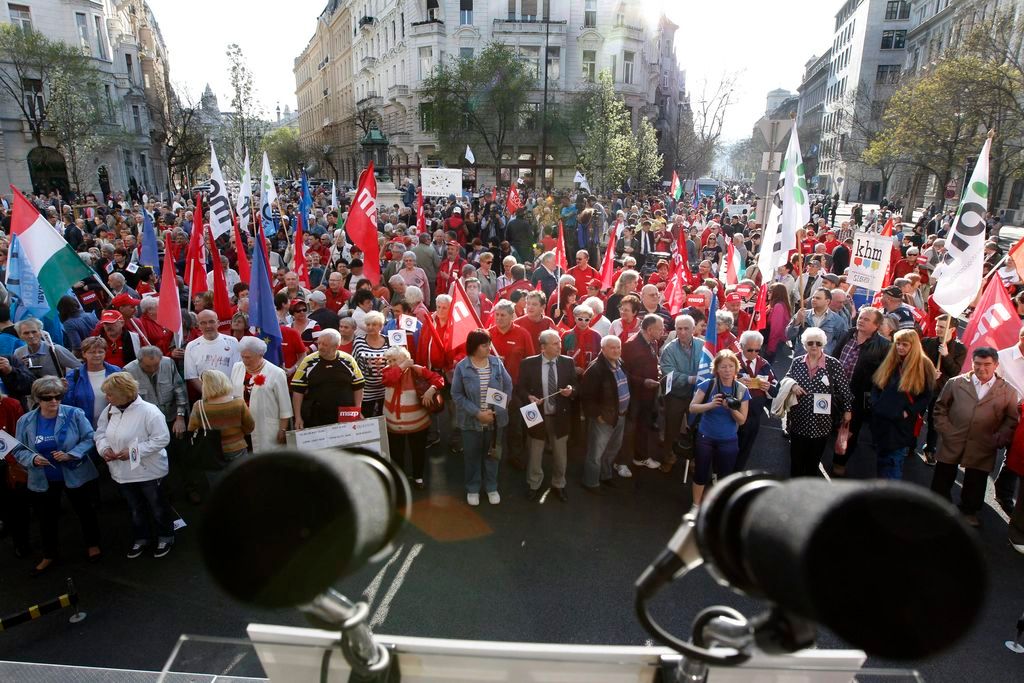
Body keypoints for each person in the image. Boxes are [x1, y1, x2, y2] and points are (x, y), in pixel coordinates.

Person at [14, 377, 100, 575]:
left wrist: (72, 454)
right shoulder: (25, 421)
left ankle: (93, 544)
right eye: (47, 398)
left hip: (75, 473)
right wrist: (33, 459)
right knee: (46, 519)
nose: (54, 401)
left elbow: (90, 438)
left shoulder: (74, 414)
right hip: (43, 478)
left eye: (58, 396)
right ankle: (49, 554)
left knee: (85, 511)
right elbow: (18, 449)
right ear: (38, 399)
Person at [932, 347, 1019, 527]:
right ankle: (937, 507)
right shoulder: (955, 383)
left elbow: (1011, 420)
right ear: (972, 363)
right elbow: (940, 408)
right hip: (952, 439)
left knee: (976, 480)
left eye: (987, 364)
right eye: (977, 363)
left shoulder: (1008, 391)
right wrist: (946, 430)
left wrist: (998, 439)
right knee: (943, 476)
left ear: (996, 365)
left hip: (984, 444)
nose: (982, 368)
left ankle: (968, 511)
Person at [95, 372, 174, 559]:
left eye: (110, 394)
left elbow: (162, 439)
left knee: (157, 507)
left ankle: (165, 536)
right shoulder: (109, 410)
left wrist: (133, 452)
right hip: (122, 473)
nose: (107, 398)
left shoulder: (149, 411)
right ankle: (142, 537)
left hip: (149, 472)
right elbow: (100, 433)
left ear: (124, 394)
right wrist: (104, 449)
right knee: (135, 508)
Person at [451, 329, 512, 506]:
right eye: (485, 345)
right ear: (474, 347)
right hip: (471, 422)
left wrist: (498, 409)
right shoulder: (462, 367)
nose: (489, 348)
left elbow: (508, 386)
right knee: (472, 457)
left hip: (495, 421)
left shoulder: (496, 363)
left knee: (493, 455)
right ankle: (473, 488)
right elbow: (457, 394)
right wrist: (477, 413)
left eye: (489, 344)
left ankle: (492, 487)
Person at [782, 327, 853, 477]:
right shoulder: (797, 362)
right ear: (804, 345)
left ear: (823, 344)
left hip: (821, 423)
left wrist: (847, 411)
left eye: (818, 343)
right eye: (810, 343)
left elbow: (845, 390)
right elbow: (787, 378)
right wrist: (793, 385)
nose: (814, 346)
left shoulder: (833, 364)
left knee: (813, 461)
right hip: (798, 419)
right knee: (796, 460)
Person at [829, 307, 891, 476]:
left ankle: (839, 462)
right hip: (834, 390)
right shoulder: (848, 334)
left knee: (849, 432)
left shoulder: (884, 346)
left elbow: (884, 375)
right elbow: (834, 357)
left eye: (866, 319)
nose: (861, 321)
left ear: (876, 326)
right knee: (825, 424)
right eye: (861, 317)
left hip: (857, 396)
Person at [516, 330, 576, 502]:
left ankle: (559, 484)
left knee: (560, 454)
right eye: (555, 343)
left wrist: (571, 390)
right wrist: (529, 397)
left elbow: (575, 385)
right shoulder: (528, 363)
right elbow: (520, 388)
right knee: (535, 452)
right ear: (543, 347)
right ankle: (534, 484)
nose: (559, 346)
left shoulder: (568, 362)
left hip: (560, 416)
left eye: (559, 342)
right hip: (535, 413)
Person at [869, 330, 936, 479]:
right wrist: (876, 404)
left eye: (904, 344)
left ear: (914, 345)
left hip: (901, 425)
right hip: (881, 420)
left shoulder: (924, 365)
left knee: (893, 464)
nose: (900, 347)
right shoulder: (891, 359)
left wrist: (908, 412)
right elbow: (876, 385)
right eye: (897, 343)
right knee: (881, 461)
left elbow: (927, 396)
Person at [688, 350, 750, 505]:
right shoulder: (708, 385)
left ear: (736, 368)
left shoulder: (741, 390)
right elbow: (692, 408)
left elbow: (742, 420)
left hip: (728, 439)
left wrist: (731, 408)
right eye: (723, 367)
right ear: (716, 369)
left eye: (731, 366)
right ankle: (696, 505)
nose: (727, 370)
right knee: (701, 473)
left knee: (725, 477)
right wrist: (710, 405)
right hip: (705, 437)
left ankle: (717, 506)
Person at [381, 345, 444, 490]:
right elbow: (389, 379)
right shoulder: (387, 371)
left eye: (395, 360)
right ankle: (400, 479)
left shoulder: (417, 370)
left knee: (418, 451)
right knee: (396, 454)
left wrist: (431, 389)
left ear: (405, 358)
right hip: (393, 423)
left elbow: (439, 379)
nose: (391, 363)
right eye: (389, 360)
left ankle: (418, 477)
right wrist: (402, 366)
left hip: (418, 422)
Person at [581, 335, 630, 494]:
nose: (616, 350)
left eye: (618, 347)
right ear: (602, 349)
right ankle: (591, 482)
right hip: (604, 419)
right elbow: (587, 396)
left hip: (620, 416)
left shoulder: (620, 363)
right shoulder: (596, 369)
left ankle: (605, 475)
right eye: (612, 347)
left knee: (612, 449)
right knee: (596, 452)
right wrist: (597, 415)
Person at [291, 328, 365, 429]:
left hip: (346, 413)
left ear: (336, 346)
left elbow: (359, 386)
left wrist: (357, 410)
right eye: (319, 343)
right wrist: (298, 417)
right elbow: (297, 390)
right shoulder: (308, 361)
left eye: (325, 345)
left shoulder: (348, 360)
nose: (320, 347)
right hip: (316, 415)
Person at [231, 336, 292, 453]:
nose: (245, 360)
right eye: (242, 356)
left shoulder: (276, 373)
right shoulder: (236, 367)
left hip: (266, 427)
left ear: (260, 355)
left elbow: (285, 405)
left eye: (248, 357)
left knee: (265, 459)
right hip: (241, 426)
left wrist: (283, 429)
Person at [621, 314, 665, 471]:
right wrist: (643, 381)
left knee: (643, 426)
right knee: (629, 430)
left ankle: (640, 457)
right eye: (660, 329)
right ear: (650, 329)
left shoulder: (653, 342)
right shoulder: (631, 345)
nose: (663, 331)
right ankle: (621, 463)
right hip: (634, 396)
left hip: (648, 395)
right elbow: (623, 373)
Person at [921, 314, 966, 466]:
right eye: (937, 326)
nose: (937, 329)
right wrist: (929, 371)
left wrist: (946, 355)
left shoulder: (960, 349)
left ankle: (930, 449)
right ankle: (909, 443)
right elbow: (917, 362)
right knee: (914, 416)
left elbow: (955, 372)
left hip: (941, 391)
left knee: (934, 422)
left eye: (942, 327)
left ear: (952, 329)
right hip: (922, 387)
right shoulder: (926, 342)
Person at [188, 369, 255, 463]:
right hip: (237, 448)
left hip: (211, 452)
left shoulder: (199, 406)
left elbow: (192, 429)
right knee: (241, 472)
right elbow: (250, 426)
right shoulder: (238, 402)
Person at [735, 330, 778, 470]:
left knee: (745, 448)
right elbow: (717, 381)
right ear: (741, 346)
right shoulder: (731, 361)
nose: (754, 353)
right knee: (728, 447)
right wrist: (735, 382)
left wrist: (768, 387)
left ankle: (736, 474)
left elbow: (776, 388)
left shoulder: (764, 364)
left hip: (754, 415)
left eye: (757, 350)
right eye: (750, 350)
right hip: (733, 413)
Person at [63, 336, 121, 427]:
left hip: (113, 425)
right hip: (83, 426)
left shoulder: (116, 372)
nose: (97, 355)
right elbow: (68, 405)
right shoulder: (73, 376)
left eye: (100, 352)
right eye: (92, 352)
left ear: (105, 353)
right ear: (84, 354)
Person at [183, 309, 241, 397]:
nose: (208, 326)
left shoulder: (233, 342)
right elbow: (192, 376)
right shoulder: (191, 346)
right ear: (198, 325)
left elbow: (238, 370)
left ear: (218, 323)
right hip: (207, 397)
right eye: (203, 323)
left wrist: (230, 394)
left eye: (211, 322)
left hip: (231, 395)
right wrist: (210, 394)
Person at [785, 287, 847, 355]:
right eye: (813, 297)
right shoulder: (802, 314)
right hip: (802, 357)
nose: (814, 300)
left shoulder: (837, 320)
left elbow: (841, 343)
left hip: (823, 359)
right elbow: (788, 336)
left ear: (827, 301)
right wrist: (797, 322)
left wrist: (829, 352)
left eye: (818, 298)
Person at [352, 310, 390, 418]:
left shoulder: (389, 341)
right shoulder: (359, 341)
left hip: (386, 390)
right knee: (367, 420)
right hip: (366, 391)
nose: (370, 327)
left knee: (385, 419)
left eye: (374, 324)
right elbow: (354, 365)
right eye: (368, 324)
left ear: (381, 326)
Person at [14, 318, 81, 379]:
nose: (31, 336)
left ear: (40, 333)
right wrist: (21, 367)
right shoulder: (19, 353)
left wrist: (68, 381)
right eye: (26, 333)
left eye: (34, 332)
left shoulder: (54, 349)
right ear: (20, 336)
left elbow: (79, 368)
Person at [763, 283, 792, 362]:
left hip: (774, 344)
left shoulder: (778, 306)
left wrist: (770, 348)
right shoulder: (773, 305)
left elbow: (776, 330)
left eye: (770, 291)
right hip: (773, 342)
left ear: (777, 293)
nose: (768, 293)